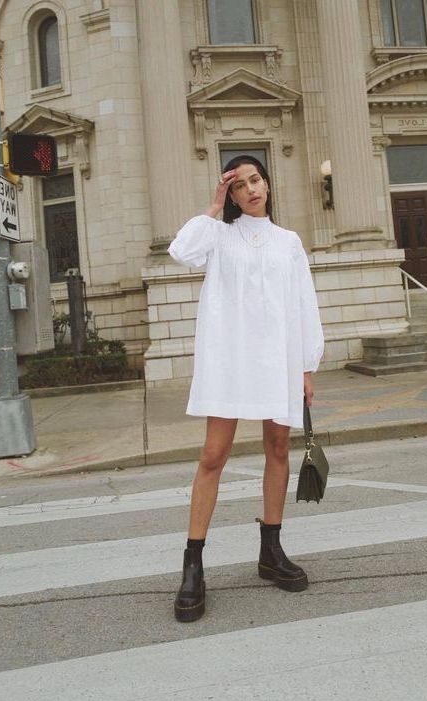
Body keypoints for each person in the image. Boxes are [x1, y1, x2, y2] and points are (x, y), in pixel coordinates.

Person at [167, 155, 324, 622]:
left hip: (278, 360)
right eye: (240, 185)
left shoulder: (289, 242)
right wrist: (213, 206)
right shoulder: (217, 235)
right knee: (213, 455)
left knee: (278, 450)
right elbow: (180, 251)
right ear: (232, 194)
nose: (251, 189)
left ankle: (270, 551)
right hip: (230, 360)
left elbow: (303, 303)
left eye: (256, 180)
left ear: (268, 184)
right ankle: (192, 566)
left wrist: (306, 367)